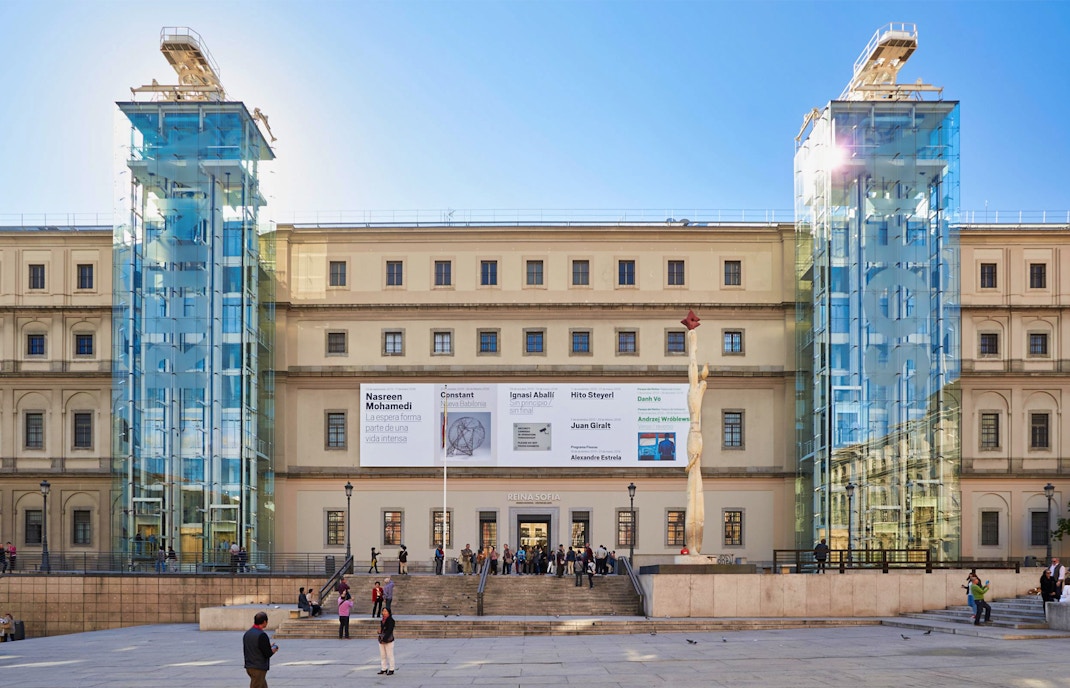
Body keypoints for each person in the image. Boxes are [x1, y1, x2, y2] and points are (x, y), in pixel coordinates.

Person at [243, 611, 278, 688]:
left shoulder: (247, 633)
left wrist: (266, 646)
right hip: (258, 667)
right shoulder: (262, 635)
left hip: (249, 666)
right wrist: (273, 650)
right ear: (264, 622)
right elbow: (267, 653)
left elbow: (253, 647)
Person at [377, 607, 396, 675]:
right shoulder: (382, 620)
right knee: (383, 655)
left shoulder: (391, 620)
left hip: (388, 639)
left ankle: (391, 668)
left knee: (389, 655)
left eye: (386, 611)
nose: (384, 613)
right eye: (383, 611)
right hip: (381, 639)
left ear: (389, 612)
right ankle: (384, 668)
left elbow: (389, 630)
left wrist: (384, 639)